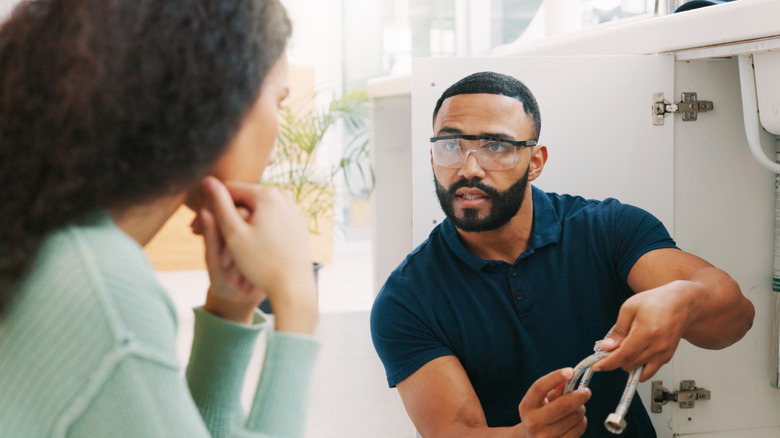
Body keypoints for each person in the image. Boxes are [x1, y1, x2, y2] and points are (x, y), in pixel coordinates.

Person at [370, 71, 755, 438]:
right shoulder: (407, 299)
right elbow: (452, 429)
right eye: (451, 145)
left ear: (534, 162)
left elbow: (735, 320)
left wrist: (682, 301)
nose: (469, 168)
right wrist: (524, 435)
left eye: (496, 146)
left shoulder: (608, 228)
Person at [0, 1, 320, 437]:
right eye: (277, 101)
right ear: (221, 102)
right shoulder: (101, 287)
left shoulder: (53, 243)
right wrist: (297, 303)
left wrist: (230, 310)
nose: (278, 133)